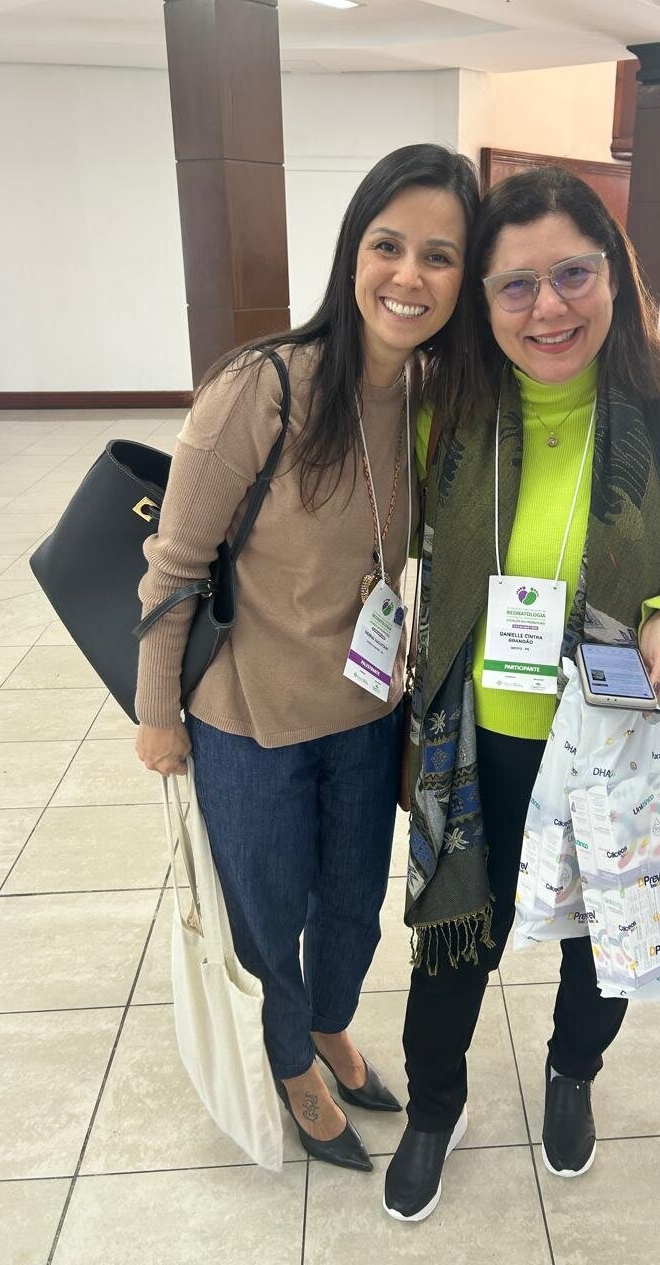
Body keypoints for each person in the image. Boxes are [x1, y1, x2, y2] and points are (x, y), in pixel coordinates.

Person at [384, 166, 660, 1220]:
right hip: (480, 743)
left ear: (615, 274)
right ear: (484, 302)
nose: (549, 308)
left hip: (622, 749)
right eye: (515, 285)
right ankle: (435, 1106)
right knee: (453, 944)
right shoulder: (450, 416)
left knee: (605, 940)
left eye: (573, 274)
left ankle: (573, 1072)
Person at [134, 143, 479, 1173]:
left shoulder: (431, 399)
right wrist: (157, 714)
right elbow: (175, 562)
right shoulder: (264, 385)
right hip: (251, 719)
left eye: (440, 256)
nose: (409, 277)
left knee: (354, 905)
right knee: (268, 910)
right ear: (352, 252)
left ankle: (329, 1020)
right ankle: (289, 1059)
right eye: (388, 246)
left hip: (366, 711)